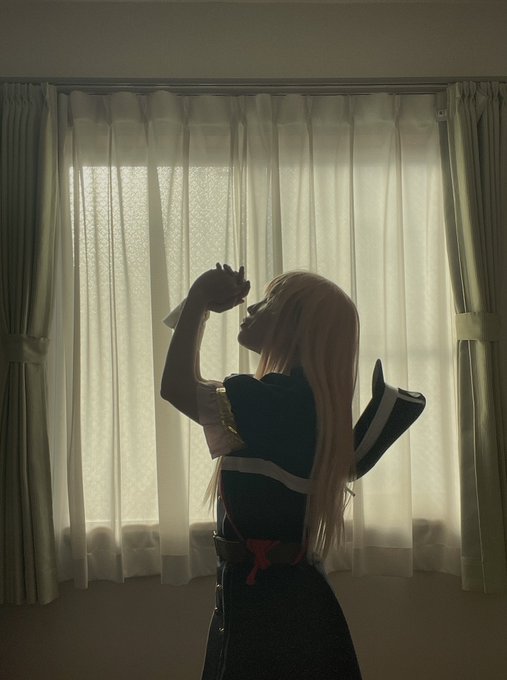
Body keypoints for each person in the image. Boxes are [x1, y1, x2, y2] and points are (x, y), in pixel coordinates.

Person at [161, 264, 425, 680]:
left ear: (298, 326)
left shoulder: (279, 403)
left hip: (271, 617)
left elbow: (177, 386)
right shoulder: (299, 402)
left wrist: (199, 299)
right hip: (279, 605)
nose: (253, 307)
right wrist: (200, 307)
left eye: (269, 302)